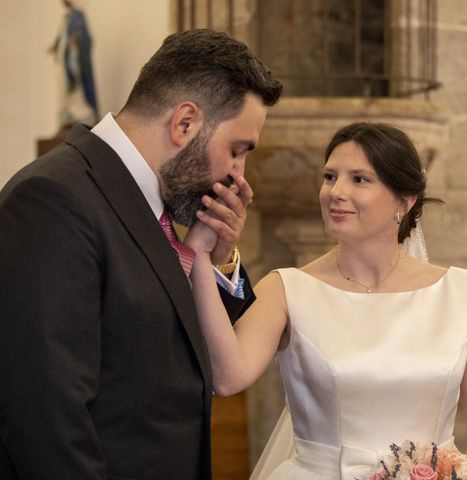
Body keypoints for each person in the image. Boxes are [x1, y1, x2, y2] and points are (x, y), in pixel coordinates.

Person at [0, 29, 282, 479]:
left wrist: (218, 255)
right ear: (185, 122)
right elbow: (47, 418)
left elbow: (193, 358)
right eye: (237, 150)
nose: (237, 174)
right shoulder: (54, 199)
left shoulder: (154, 208)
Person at [186, 122, 467, 479]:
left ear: (404, 200)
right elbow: (228, 377)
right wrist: (200, 255)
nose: (335, 192)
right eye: (329, 177)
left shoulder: (460, 293)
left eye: (359, 179)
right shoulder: (286, 288)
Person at [49, 0, 99, 126]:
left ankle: (84, 114)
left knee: (78, 84)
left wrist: (76, 41)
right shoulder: (67, 17)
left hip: (75, 59)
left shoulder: (78, 15)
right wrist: (55, 46)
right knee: (68, 87)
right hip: (67, 59)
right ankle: (71, 114)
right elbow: (62, 35)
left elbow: (82, 35)